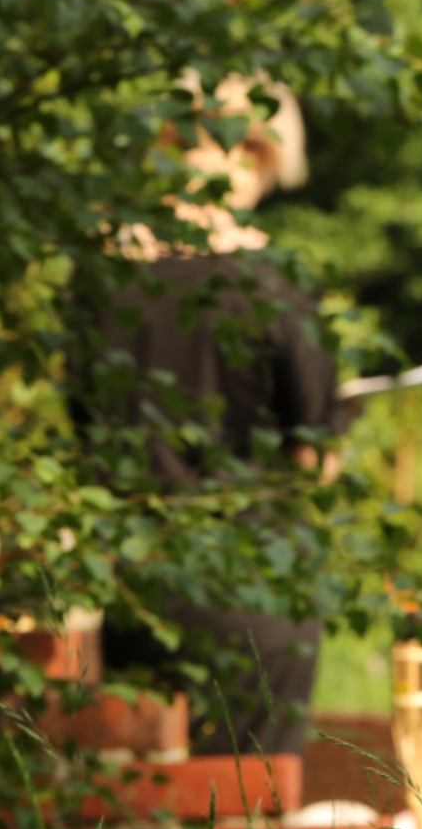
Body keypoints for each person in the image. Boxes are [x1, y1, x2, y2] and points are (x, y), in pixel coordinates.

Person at [68, 73, 339, 758]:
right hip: (252, 587)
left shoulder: (97, 278)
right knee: (245, 825)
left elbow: (83, 417)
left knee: (136, 815)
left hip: (125, 578)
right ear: (249, 152)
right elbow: (314, 460)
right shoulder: (273, 283)